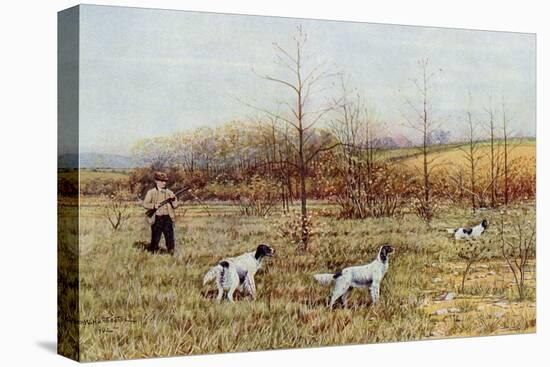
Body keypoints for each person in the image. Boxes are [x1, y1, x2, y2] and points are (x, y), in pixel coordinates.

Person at [142, 172, 178, 254]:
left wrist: (173, 199)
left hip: (167, 218)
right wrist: (154, 206)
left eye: (165, 181)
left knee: (170, 236)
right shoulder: (151, 192)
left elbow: (175, 205)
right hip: (157, 218)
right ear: (156, 181)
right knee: (155, 237)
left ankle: (170, 251)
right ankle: (153, 252)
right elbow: (145, 204)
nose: (164, 183)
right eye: (161, 181)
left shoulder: (169, 192)